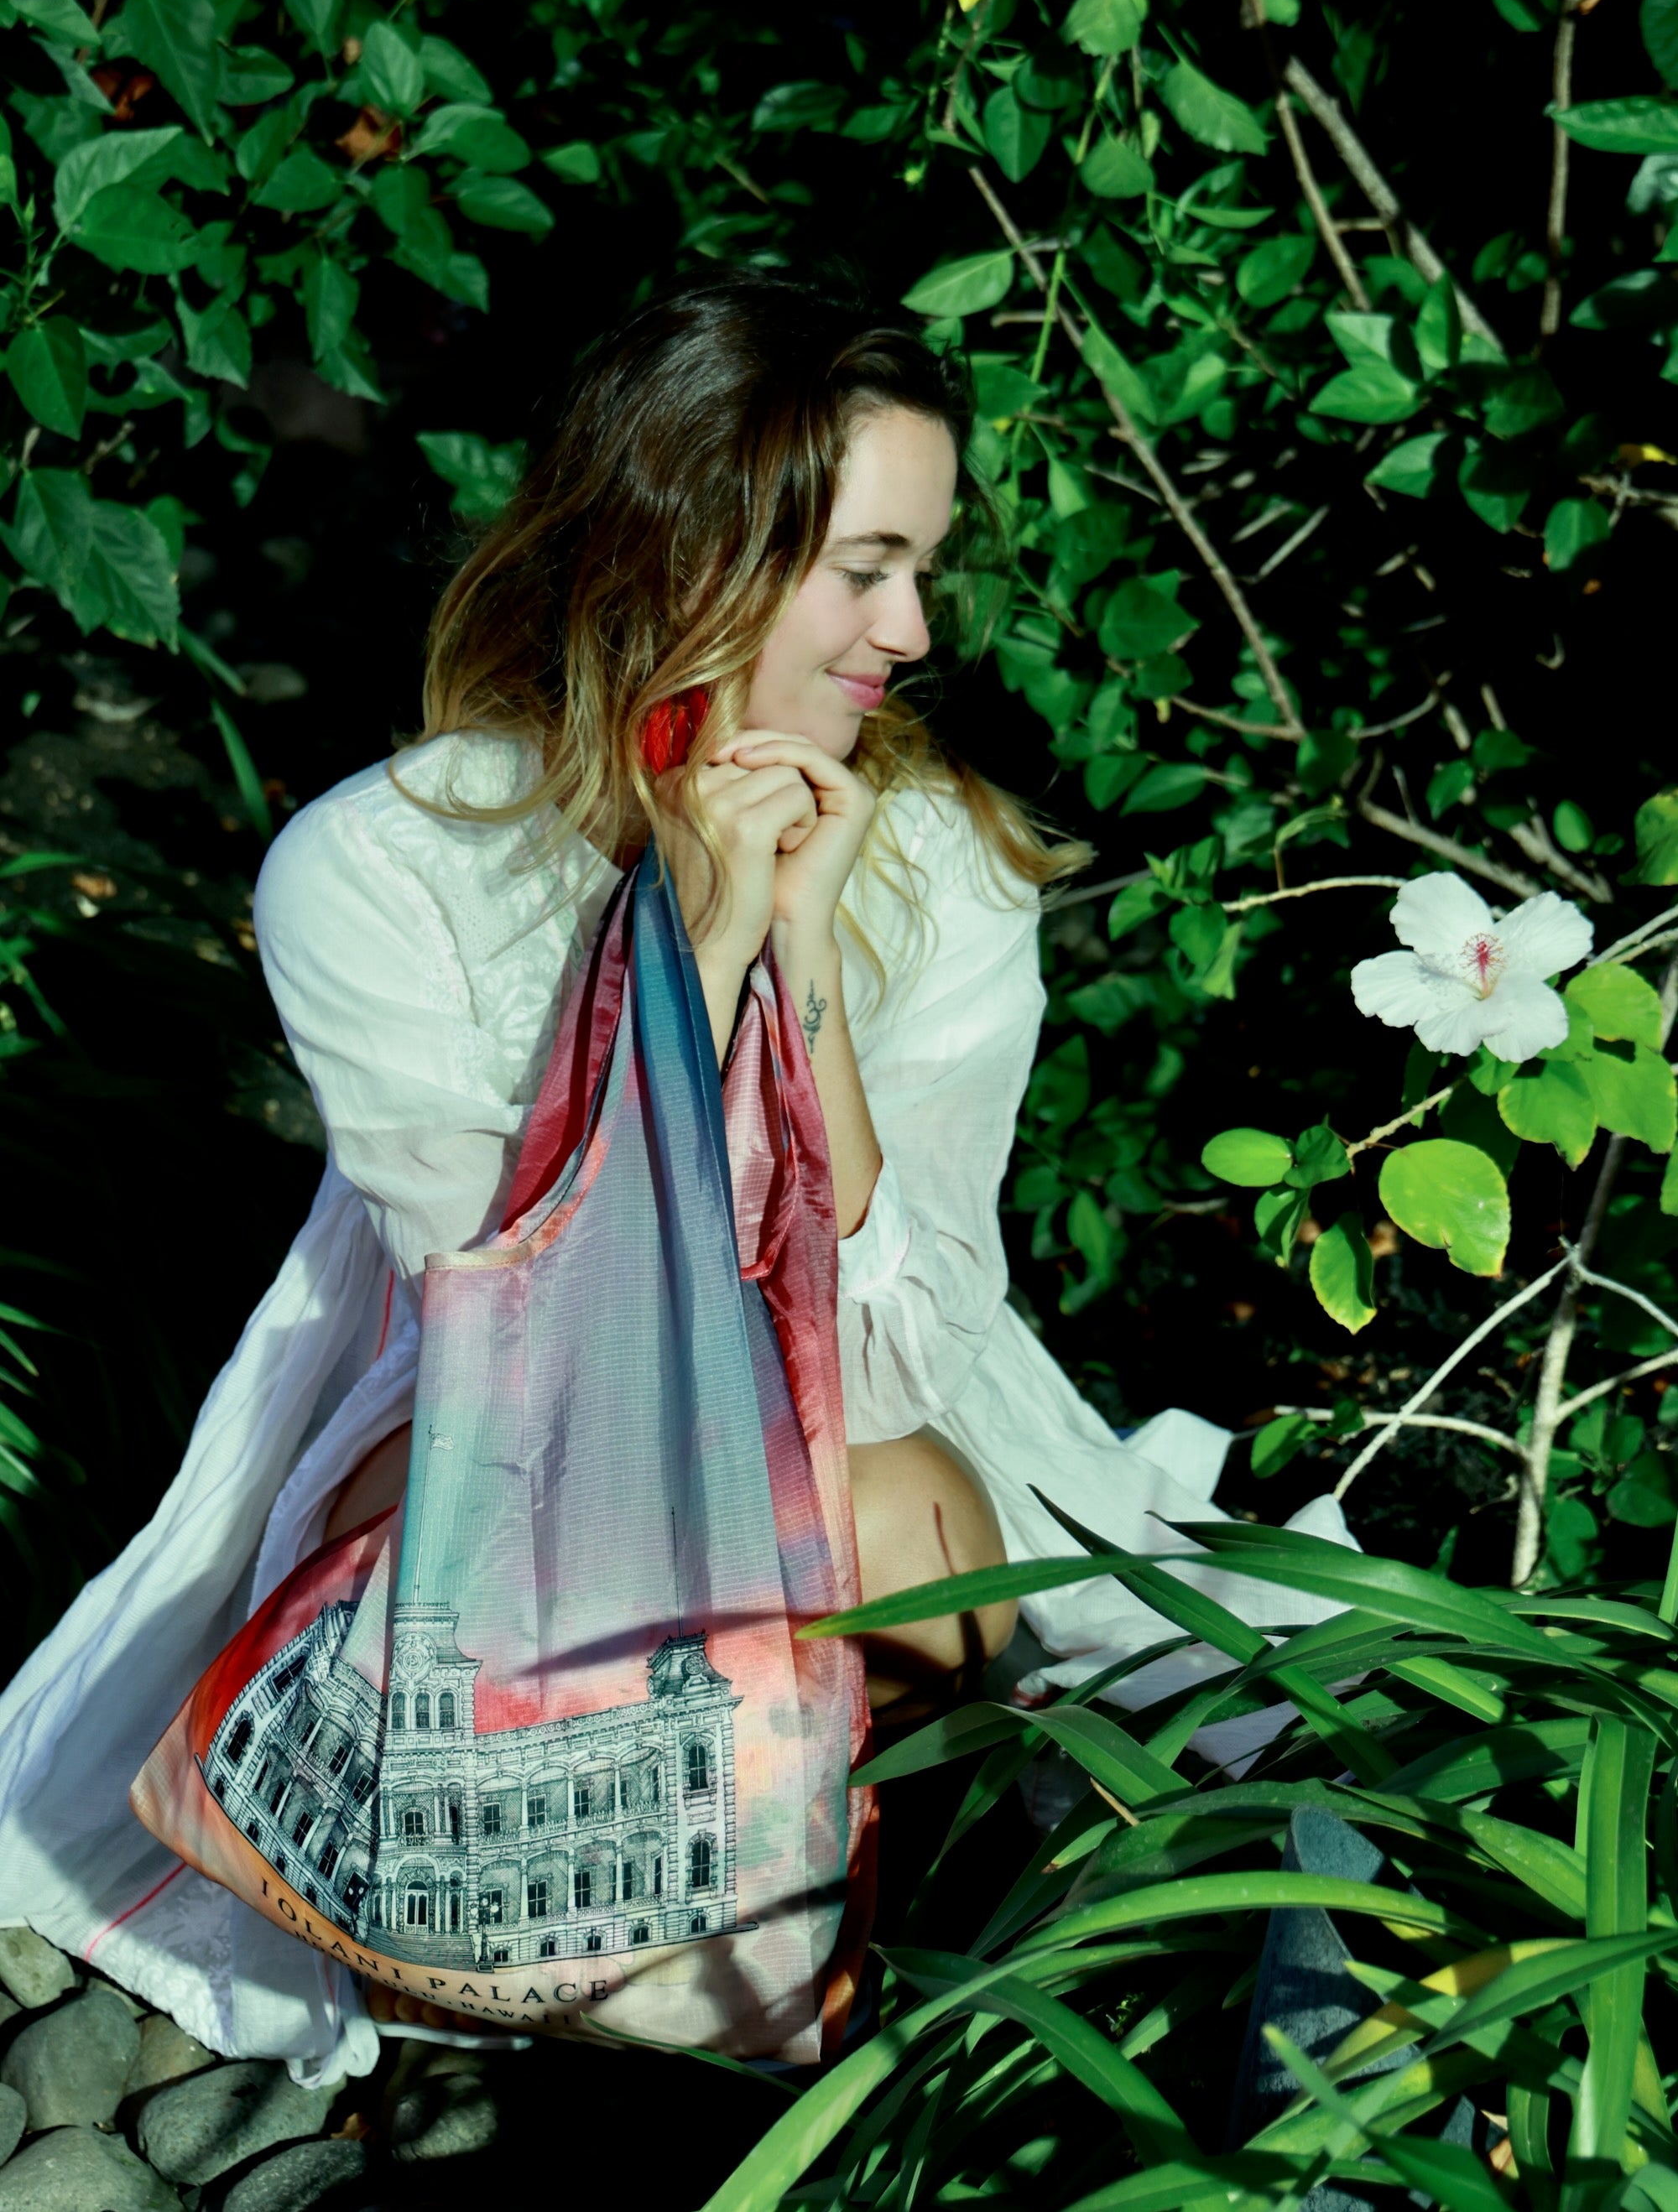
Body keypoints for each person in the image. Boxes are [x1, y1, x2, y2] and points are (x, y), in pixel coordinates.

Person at [0, 269, 1352, 2089]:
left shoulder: (943, 871)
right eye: (866, 567)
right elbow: (536, 1370)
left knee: (898, 1526)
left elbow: (896, 1357)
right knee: (453, 1590)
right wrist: (691, 959)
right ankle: (569, 1943)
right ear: (693, 548)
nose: (912, 628)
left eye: (922, 567)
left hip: (852, 1464)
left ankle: (797, 1930)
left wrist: (804, 956)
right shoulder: (383, 873)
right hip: (488, 1465)